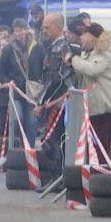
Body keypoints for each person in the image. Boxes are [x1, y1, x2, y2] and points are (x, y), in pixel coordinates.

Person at [34, 13, 74, 191]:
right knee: (56, 139)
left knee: (50, 140)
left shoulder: (59, 48)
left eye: (47, 27)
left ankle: (57, 181)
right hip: (61, 101)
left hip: (58, 102)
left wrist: (41, 102)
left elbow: (55, 78)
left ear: (59, 27)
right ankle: (58, 180)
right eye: (42, 27)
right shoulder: (57, 46)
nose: (43, 30)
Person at [65, 23, 111, 162]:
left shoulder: (104, 54)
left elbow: (91, 69)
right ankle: (94, 176)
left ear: (91, 37)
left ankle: (101, 178)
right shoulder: (92, 54)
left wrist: (73, 59)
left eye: (82, 35)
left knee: (101, 148)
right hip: (94, 108)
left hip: (102, 109)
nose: (80, 38)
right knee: (94, 147)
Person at [0, 19, 44, 146]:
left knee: (32, 121)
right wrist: (9, 83)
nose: (17, 33)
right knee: (17, 119)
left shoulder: (37, 47)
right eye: (15, 31)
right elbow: (1, 71)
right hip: (16, 91)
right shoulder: (8, 49)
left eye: (20, 30)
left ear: (25, 30)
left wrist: (41, 83)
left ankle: (29, 149)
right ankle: (18, 147)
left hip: (33, 92)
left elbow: (43, 68)